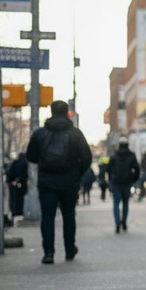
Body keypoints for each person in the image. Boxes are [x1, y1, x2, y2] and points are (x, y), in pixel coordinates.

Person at [25, 100, 92, 264]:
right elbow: (86, 158)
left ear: (51, 111)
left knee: (47, 217)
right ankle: (70, 250)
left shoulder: (40, 133)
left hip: (47, 180)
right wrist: (76, 174)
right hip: (69, 181)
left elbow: (31, 156)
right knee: (69, 215)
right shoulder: (76, 133)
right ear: (66, 112)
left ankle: (48, 253)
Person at [109, 136, 140, 233]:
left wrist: (110, 180)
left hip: (116, 183)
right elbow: (137, 169)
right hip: (127, 182)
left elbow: (108, 169)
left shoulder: (114, 155)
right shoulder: (131, 155)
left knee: (116, 204)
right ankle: (124, 222)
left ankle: (117, 223)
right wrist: (133, 179)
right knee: (125, 203)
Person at [7, 153, 28, 218]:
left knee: (13, 198)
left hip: (13, 183)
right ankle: (19, 211)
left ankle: (14, 211)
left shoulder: (15, 163)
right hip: (22, 184)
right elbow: (25, 174)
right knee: (20, 199)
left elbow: (10, 173)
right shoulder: (25, 163)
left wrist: (11, 181)